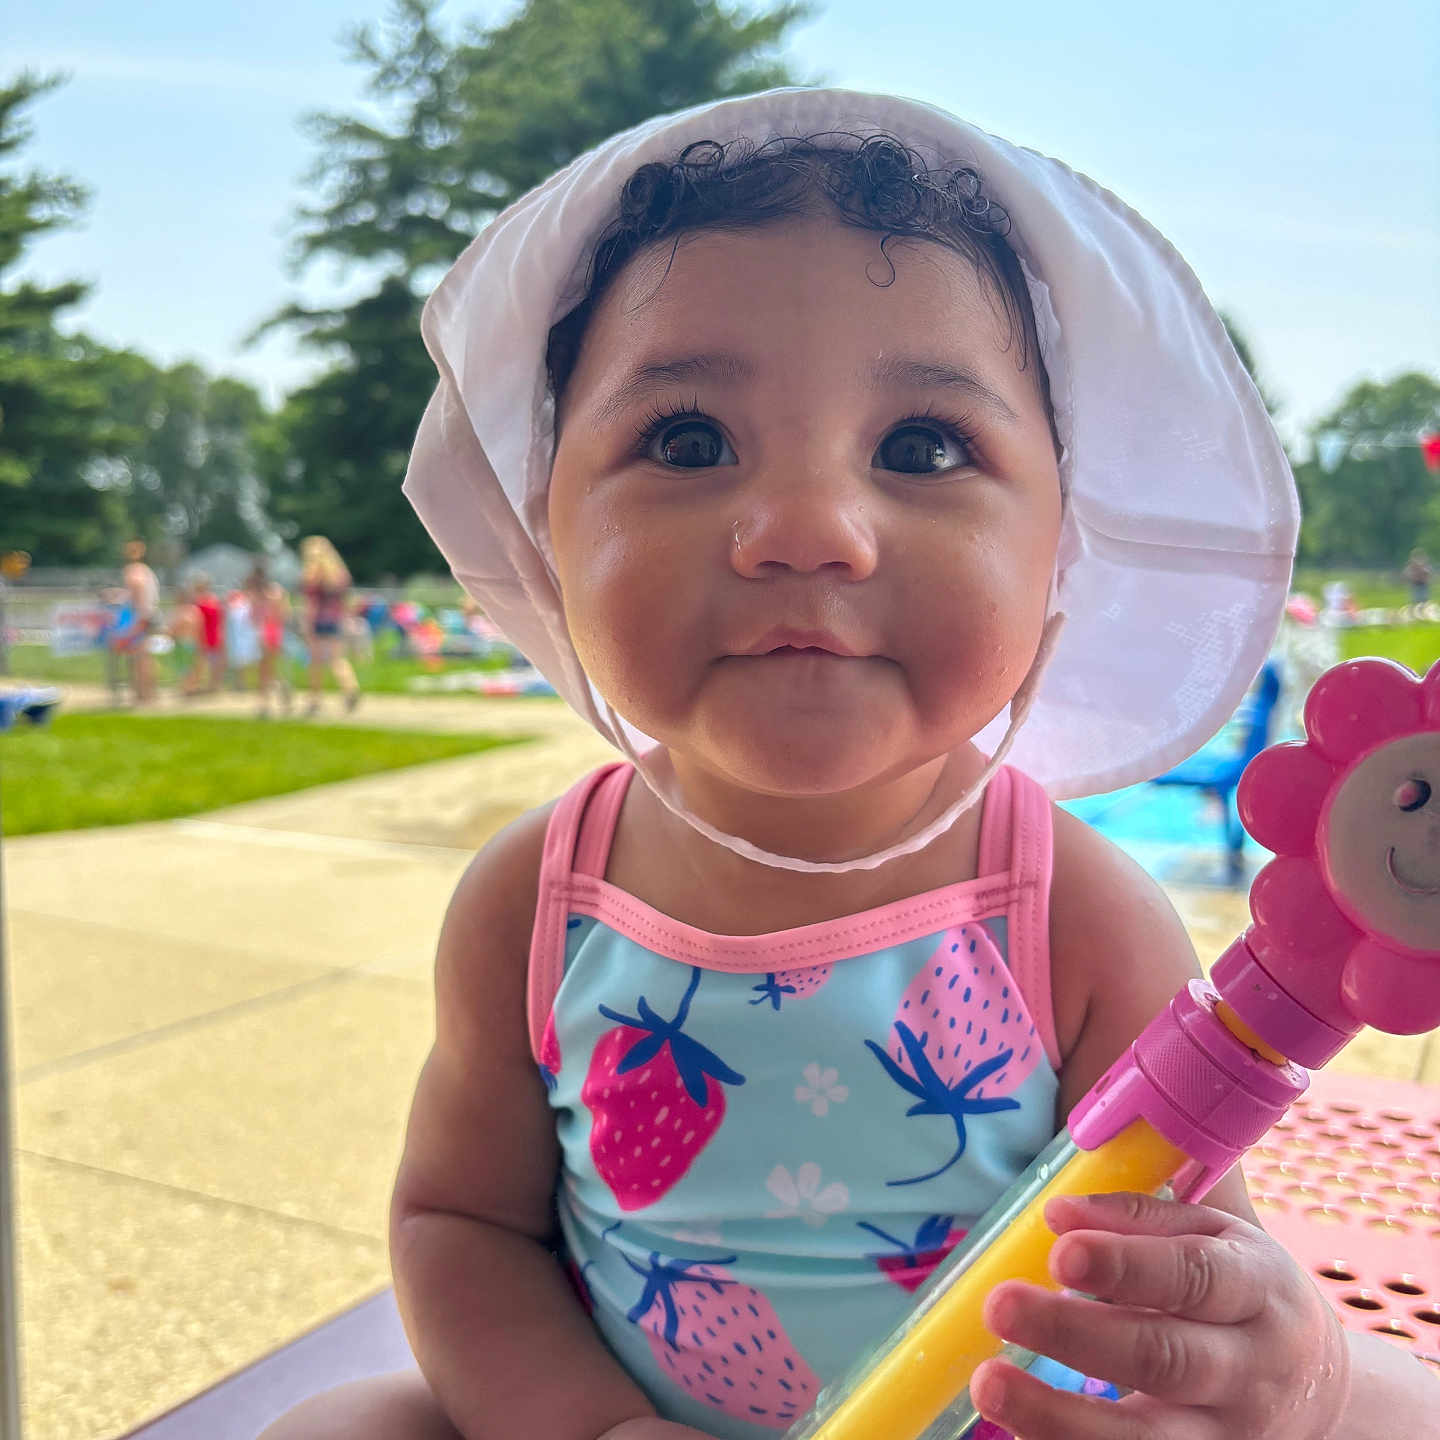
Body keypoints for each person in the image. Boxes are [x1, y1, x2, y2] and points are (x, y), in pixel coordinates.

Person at [259, 94, 1434, 1440]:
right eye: (688, 440)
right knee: (340, 1430)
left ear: (1063, 555)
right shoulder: (537, 902)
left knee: (1385, 1408)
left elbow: (1181, 1249)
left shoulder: (1071, 915)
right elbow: (463, 1222)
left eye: (923, 447)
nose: (808, 528)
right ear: (544, 542)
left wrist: (1268, 1366)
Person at [299, 536, 361, 716]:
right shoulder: (339, 573)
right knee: (337, 659)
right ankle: (350, 688)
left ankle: (314, 699)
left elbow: (311, 603)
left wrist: (307, 623)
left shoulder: (312, 574)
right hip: (335, 619)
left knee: (316, 661)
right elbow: (346, 599)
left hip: (318, 620)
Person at [243, 560, 293, 717]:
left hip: (264, 632)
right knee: (269, 667)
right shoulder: (276, 592)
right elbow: (285, 614)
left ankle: (265, 701)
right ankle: (278, 686)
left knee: (264, 669)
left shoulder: (258, 594)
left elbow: (252, 617)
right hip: (275, 631)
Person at [117, 539, 160, 704]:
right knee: (145, 656)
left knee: (139, 657)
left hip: (141, 616)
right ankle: (148, 691)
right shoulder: (146, 571)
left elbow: (137, 592)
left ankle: (142, 693)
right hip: (148, 615)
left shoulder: (134, 571)